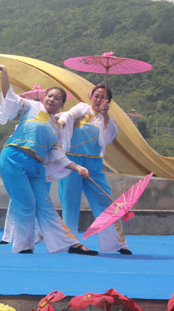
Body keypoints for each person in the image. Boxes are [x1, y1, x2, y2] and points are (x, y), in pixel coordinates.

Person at [0, 60, 98, 255]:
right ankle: (23, 246)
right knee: (27, 203)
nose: (52, 99)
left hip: (36, 167)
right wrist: (4, 73)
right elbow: (9, 97)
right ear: (44, 97)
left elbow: (57, 155)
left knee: (46, 206)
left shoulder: (57, 128)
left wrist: (78, 168)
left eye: (57, 98)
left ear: (62, 105)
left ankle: (70, 244)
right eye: (50, 96)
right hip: (14, 159)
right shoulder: (31, 106)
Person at [58, 84, 131, 254]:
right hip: (72, 162)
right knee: (70, 204)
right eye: (97, 96)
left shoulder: (108, 121)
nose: (99, 100)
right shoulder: (82, 108)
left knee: (105, 202)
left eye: (104, 97)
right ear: (90, 96)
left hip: (93, 164)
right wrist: (61, 122)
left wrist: (104, 115)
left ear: (109, 101)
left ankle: (117, 243)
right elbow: (69, 115)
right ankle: (71, 243)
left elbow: (108, 137)